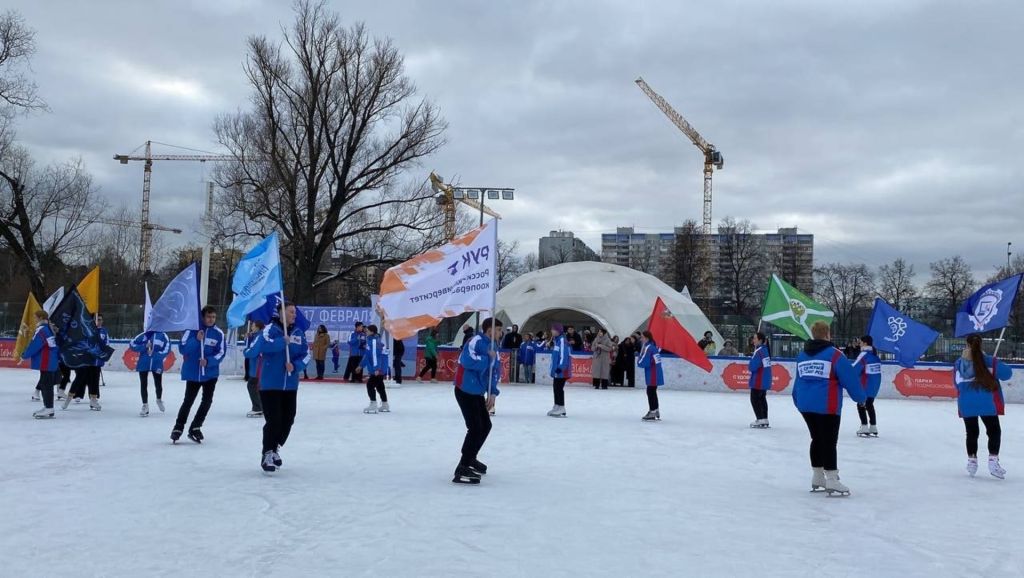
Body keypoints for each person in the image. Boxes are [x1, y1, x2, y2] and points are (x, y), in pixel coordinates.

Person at [792, 321, 865, 496]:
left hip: (805, 404)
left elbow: (798, 381)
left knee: (816, 439)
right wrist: (861, 398)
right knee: (829, 441)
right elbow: (850, 379)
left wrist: (798, 401)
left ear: (812, 334)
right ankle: (832, 479)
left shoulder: (802, 355)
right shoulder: (835, 355)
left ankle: (818, 476)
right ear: (828, 334)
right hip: (827, 405)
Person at [244, 302, 310, 473]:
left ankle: (275, 448)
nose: (294, 315)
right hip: (270, 385)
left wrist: (295, 366)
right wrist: (281, 342)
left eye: (295, 312)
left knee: (288, 419)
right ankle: (267, 453)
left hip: (290, 385)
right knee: (274, 421)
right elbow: (256, 349)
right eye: (291, 312)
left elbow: (306, 354)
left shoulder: (298, 332)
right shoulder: (269, 330)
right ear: (281, 312)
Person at [955, 334, 1013, 479]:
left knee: (971, 432)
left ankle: (972, 462)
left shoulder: (958, 364)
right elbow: (1007, 374)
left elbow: (956, 383)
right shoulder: (989, 361)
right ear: (981, 345)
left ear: (966, 345)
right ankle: (993, 462)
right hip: (987, 402)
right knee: (993, 431)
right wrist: (994, 362)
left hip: (967, 403)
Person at [452, 317, 502, 484]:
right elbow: (466, 361)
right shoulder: (475, 341)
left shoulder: (494, 347)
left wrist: (493, 393)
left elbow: (494, 371)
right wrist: (487, 358)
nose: (500, 333)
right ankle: (462, 467)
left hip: (477, 392)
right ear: (490, 330)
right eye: (499, 330)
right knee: (475, 427)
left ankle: (470, 457)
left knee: (486, 425)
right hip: (465, 389)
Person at [172, 306, 226, 444]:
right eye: (208, 316)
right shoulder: (191, 331)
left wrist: (208, 361)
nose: (211, 319)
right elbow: (183, 348)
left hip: (210, 374)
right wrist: (196, 339)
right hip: (193, 374)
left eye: (213, 317)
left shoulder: (218, 333)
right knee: (188, 401)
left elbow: (221, 353)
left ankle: (196, 426)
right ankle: (178, 427)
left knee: (207, 401)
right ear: (202, 317)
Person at [23, 310, 61, 419]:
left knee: (46, 384)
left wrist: (24, 355)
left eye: (35, 317)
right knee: (45, 384)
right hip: (49, 360)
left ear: (40, 317)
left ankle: (49, 408)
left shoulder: (42, 330)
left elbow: (35, 345)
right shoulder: (46, 328)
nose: (34, 319)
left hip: (47, 361)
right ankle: (47, 407)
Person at [129, 328, 171, 417]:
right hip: (144, 363)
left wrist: (156, 355)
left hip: (157, 363)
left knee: (158, 384)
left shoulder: (163, 335)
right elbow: (132, 344)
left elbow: (167, 348)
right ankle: (145, 405)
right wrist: (144, 346)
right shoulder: (144, 335)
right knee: (143, 384)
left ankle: (159, 399)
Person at [853, 336, 883, 437]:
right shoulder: (875, 356)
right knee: (869, 404)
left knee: (860, 404)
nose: (859, 343)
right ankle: (873, 426)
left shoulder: (864, 355)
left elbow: (855, 369)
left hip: (865, 385)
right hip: (874, 385)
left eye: (860, 342)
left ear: (865, 343)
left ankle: (864, 426)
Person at [361, 324, 389, 413]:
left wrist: (377, 368)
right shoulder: (371, 340)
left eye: (367, 330)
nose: (366, 331)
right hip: (378, 368)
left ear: (372, 332)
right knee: (380, 386)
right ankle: (385, 404)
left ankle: (373, 404)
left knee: (370, 385)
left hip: (378, 368)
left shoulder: (374, 341)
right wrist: (361, 365)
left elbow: (375, 356)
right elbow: (368, 355)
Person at [748, 332, 773, 428]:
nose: (753, 340)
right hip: (764, 380)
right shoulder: (765, 350)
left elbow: (752, 367)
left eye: (754, 338)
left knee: (755, 399)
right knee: (762, 399)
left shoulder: (759, 351)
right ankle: (764, 419)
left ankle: (760, 419)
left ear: (760, 340)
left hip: (759, 380)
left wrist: (751, 360)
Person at [547, 323, 572, 417]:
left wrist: (560, 368)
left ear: (558, 331)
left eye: (553, 330)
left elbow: (563, 356)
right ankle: (557, 405)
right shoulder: (557, 340)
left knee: (559, 388)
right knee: (556, 387)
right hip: (558, 370)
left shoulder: (562, 340)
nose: (551, 331)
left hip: (562, 370)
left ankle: (561, 407)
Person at [243, 321, 266, 418]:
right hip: (255, 365)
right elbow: (250, 345)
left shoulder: (259, 336)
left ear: (257, 327)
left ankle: (258, 408)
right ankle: (260, 407)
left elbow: (251, 351)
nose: (251, 327)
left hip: (258, 365)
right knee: (255, 386)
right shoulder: (256, 335)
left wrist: (245, 351)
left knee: (252, 385)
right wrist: (247, 339)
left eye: (252, 325)